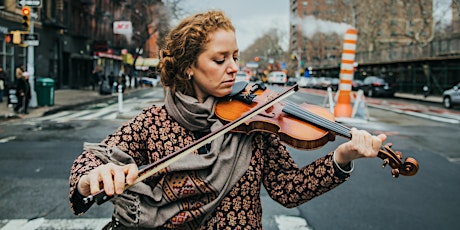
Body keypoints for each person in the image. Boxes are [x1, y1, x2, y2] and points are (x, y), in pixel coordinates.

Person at [69, 10, 386, 229]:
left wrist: (342, 157)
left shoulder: (254, 121)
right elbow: (94, 159)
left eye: (235, 56)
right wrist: (90, 178)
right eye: (219, 59)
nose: (233, 67)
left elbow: (289, 189)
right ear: (188, 66)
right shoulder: (154, 122)